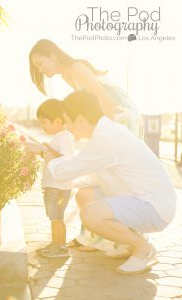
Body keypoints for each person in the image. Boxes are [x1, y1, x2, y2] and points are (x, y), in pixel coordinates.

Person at [29, 39, 143, 252]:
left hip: (120, 117)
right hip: (111, 119)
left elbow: (102, 98)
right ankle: (97, 236)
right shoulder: (67, 74)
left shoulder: (76, 68)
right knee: (101, 176)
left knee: (114, 177)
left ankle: (123, 238)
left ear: (53, 55)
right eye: (37, 67)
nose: (41, 70)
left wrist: (105, 131)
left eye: (40, 63)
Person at [44, 90, 176, 274]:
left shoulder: (106, 138)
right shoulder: (107, 133)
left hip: (154, 208)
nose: (67, 126)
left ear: (80, 119)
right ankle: (126, 242)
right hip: (143, 200)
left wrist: (46, 154)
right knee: (85, 194)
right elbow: (92, 176)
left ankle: (143, 249)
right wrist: (71, 179)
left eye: (68, 120)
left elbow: (65, 171)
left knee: (90, 215)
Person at [27, 99, 74, 258]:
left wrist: (45, 150)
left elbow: (65, 159)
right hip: (54, 186)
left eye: (44, 122)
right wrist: (48, 147)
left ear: (58, 121)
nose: (42, 126)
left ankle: (60, 247)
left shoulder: (65, 137)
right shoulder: (58, 137)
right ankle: (56, 243)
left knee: (57, 217)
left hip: (58, 187)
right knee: (54, 217)